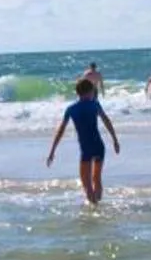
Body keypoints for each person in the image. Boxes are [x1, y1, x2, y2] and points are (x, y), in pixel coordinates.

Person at [47, 76, 120, 204]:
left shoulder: (71, 109)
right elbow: (106, 121)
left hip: (86, 149)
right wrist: (115, 139)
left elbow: (61, 131)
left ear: (77, 92)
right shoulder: (95, 105)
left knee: (86, 182)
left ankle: (94, 208)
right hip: (99, 146)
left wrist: (53, 150)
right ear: (90, 92)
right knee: (97, 178)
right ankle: (98, 203)